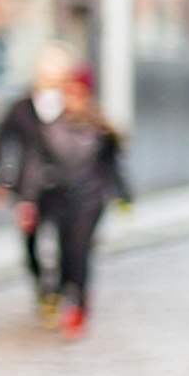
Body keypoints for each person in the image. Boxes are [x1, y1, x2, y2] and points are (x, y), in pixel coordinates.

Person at [23, 68, 128, 340]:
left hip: (90, 200)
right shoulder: (50, 127)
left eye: (77, 93)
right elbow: (35, 165)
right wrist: (29, 200)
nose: (72, 98)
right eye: (68, 92)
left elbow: (114, 167)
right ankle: (64, 292)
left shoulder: (100, 130)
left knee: (81, 251)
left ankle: (78, 304)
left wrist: (124, 196)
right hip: (60, 199)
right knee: (64, 251)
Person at [0, 46, 77, 322]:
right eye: (46, 71)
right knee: (30, 243)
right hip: (29, 190)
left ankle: (59, 288)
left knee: (66, 242)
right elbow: (2, 141)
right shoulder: (21, 108)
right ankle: (42, 288)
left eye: (56, 72)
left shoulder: (74, 107)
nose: (50, 77)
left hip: (65, 187)